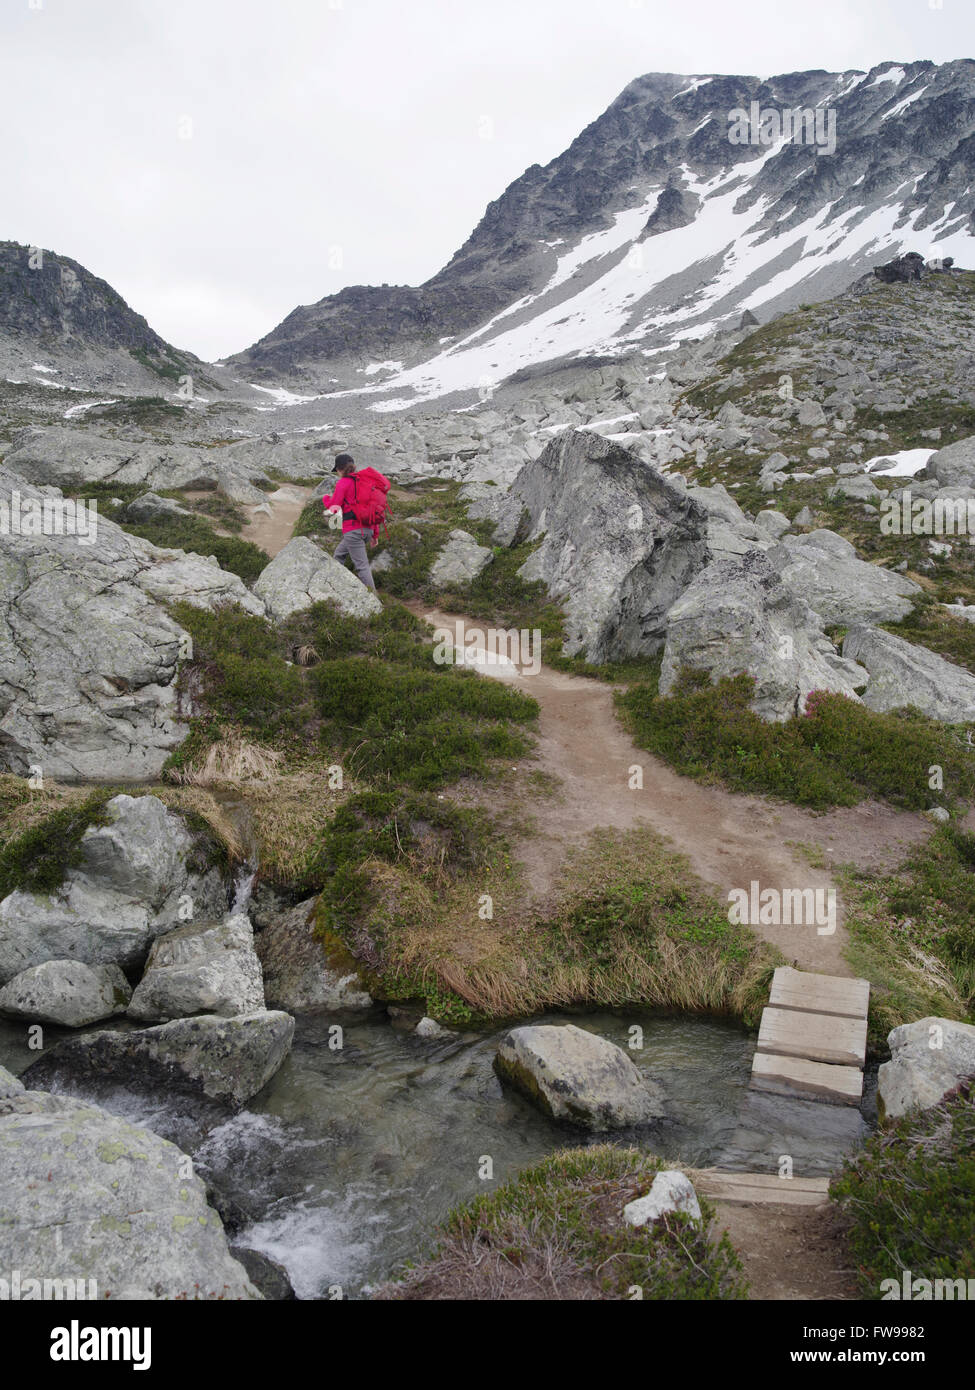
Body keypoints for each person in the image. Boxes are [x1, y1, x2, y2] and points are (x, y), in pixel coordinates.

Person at [322, 453, 380, 590]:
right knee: (339, 554)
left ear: (339, 469)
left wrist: (325, 498)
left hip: (353, 532)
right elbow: (374, 508)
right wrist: (375, 535)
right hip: (368, 530)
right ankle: (333, 585)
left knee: (362, 567)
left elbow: (334, 508)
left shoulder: (343, 483)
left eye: (336, 470)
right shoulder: (365, 482)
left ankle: (374, 600)